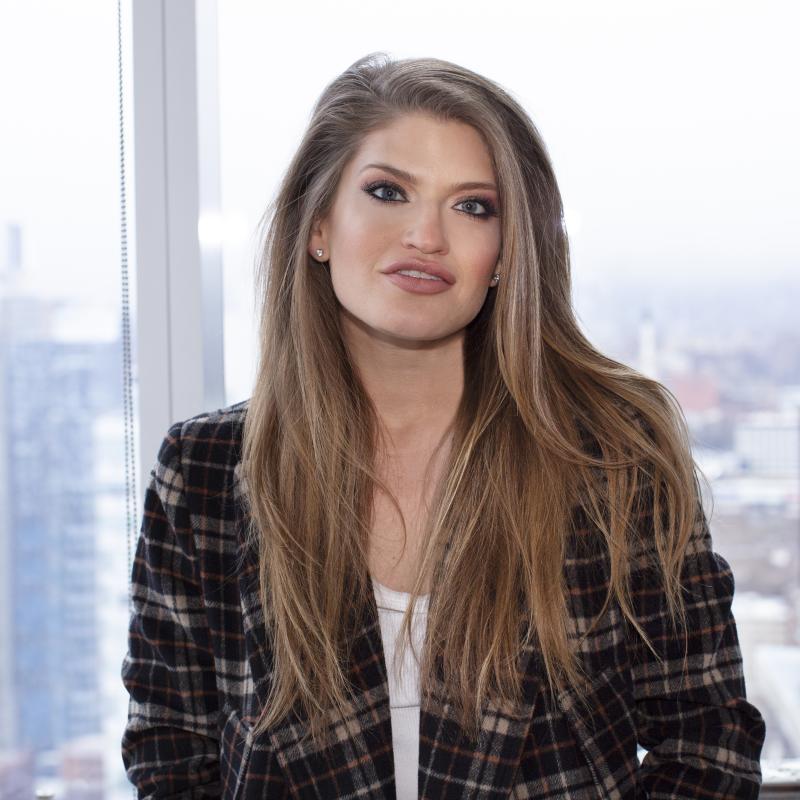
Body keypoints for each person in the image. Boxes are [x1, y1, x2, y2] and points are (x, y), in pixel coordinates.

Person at [121, 52, 766, 799]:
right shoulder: (203, 469)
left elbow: (708, 748)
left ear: (504, 256)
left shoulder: (611, 459)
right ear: (319, 226)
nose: (426, 235)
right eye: (389, 192)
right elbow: (171, 751)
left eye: (473, 207)